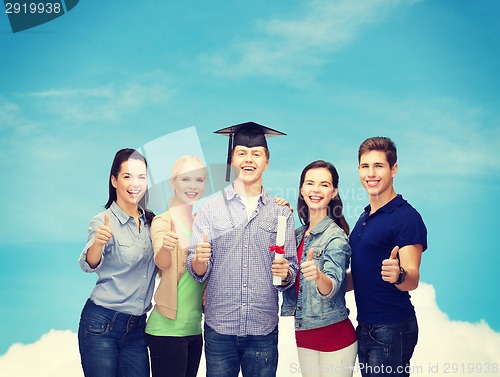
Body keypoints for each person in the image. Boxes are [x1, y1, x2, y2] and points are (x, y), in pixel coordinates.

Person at [186, 122, 299, 377]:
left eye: (256, 154)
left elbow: (289, 270)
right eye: (242, 153)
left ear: (267, 161)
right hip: (220, 328)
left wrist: (286, 273)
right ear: (231, 160)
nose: (249, 160)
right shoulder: (210, 209)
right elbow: (196, 267)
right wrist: (200, 260)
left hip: (263, 329)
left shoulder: (280, 212)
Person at [348, 137, 428, 377]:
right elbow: (363, 273)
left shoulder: (406, 217)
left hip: (392, 327)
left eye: (379, 166)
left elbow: (412, 277)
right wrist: (327, 284)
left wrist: (399, 274)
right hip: (366, 326)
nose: (371, 174)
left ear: (394, 169)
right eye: (365, 166)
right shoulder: (364, 217)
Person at [77, 148, 157, 377]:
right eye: (127, 176)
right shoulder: (103, 221)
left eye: (142, 177)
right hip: (101, 324)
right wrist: (98, 244)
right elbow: (89, 264)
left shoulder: (151, 222)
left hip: (137, 328)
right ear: (114, 180)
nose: (135, 183)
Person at [282, 160, 357, 377]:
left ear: (334, 192)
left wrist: (318, 275)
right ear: (301, 189)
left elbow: (332, 286)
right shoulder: (295, 235)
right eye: (310, 183)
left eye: (324, 185)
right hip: (304, 334)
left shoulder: (336, 237)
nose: (316, 190)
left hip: (335, 336)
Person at [145, 155, 207, 377]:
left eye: (199, 180)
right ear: (173, 182)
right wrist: (165, 248)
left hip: (193, 330)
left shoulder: (204, 223)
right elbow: (161, 262)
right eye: (185, 179)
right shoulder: (163, 221)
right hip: (166, 331)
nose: (192, 186)